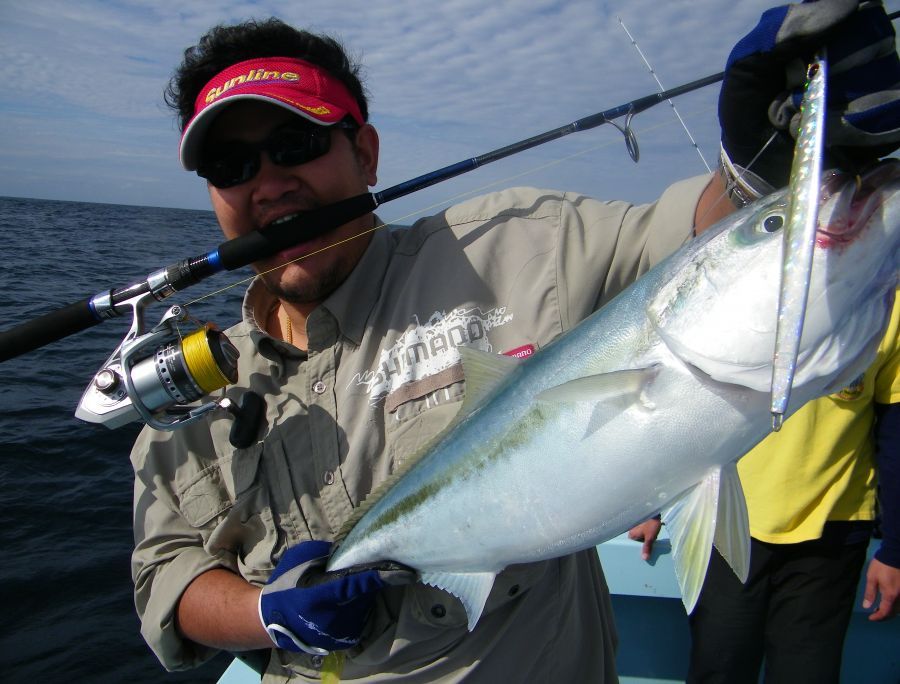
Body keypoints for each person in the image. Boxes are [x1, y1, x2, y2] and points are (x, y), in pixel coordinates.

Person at [130, 1, 900, 681]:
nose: (268, 183)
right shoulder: (187, 393)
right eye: (231, 165)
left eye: (296, 144)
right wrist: (268, 612)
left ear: (364, 153)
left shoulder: (515, 246)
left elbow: (684, 244)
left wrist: (761, 171)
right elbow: (166, 574)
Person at [628, 297, 900, 683]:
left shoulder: (887, 303)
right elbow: (675, 407)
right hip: (727, 520)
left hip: (832, 531)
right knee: (719, 667)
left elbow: (895, 435)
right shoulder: (742, 292)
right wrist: (652, 503)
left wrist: (895, 549)